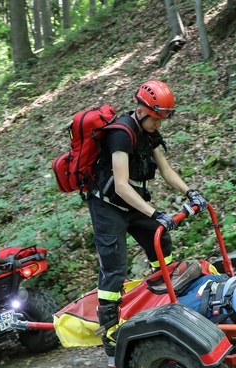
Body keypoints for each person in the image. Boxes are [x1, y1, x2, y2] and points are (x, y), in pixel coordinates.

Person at [87, 80, 208, 354]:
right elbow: (120, 185)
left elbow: (165, 170)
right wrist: (155, 212)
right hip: (107, 206)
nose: (160, 125)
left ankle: (162, 289)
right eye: (156, 119)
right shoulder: (120, 134)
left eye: (162, 119)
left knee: (160, 239)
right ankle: (110, 332)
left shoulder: (149, 133)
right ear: (141, 111)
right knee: (115, 265)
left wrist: (192, 192)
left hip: (131, 203)